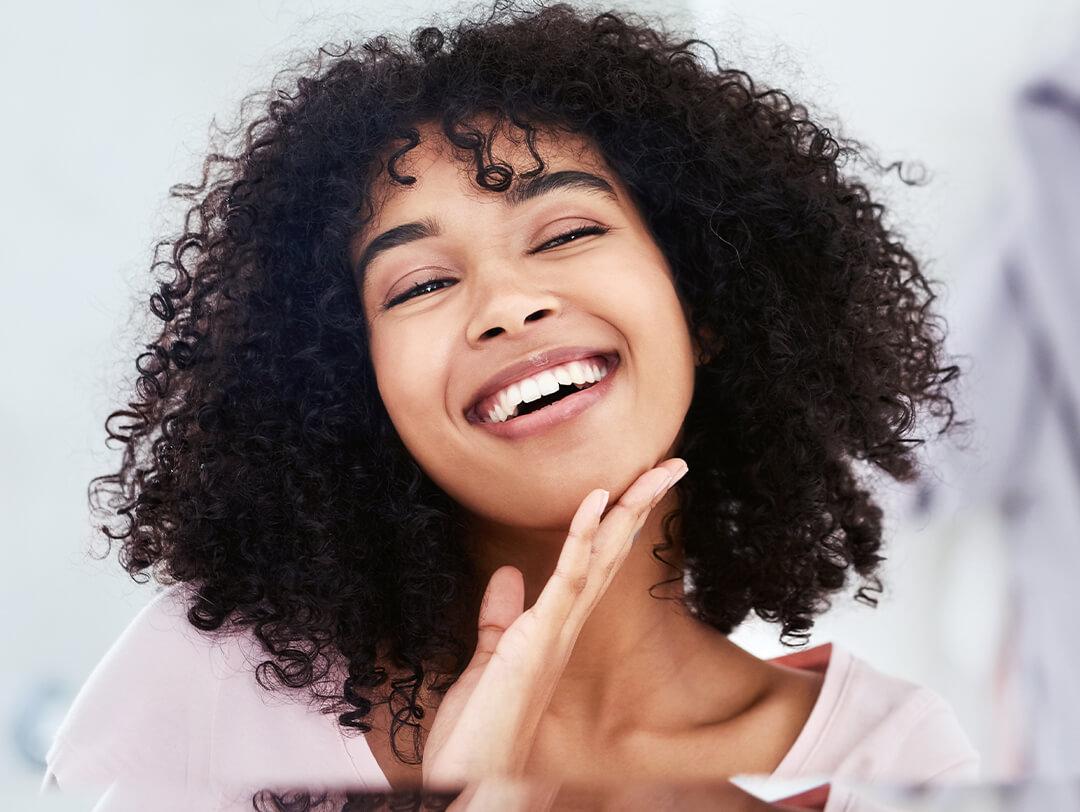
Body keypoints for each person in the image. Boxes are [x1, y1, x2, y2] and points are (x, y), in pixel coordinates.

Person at [41, 0, 980, 807]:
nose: (506, 304)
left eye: (566, 229)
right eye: (416, 286)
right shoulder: (211, 691)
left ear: (707, 305)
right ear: (353, 388)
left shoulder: (887, 764)